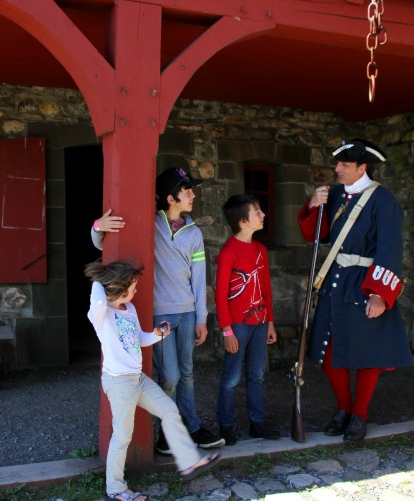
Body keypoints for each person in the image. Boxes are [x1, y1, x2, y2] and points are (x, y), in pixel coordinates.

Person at [91, 167, 224, 453]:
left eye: (192, 190)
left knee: (187, 373)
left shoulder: (194, 233)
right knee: (171, 376)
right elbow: (105, 242)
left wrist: (201, 317)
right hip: (161, 314)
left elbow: (200, 279)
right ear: (169, 198)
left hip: (188, 313)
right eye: (186, 191)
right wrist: (97, 227)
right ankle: (168, 433)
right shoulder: (149, 224)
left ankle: (192, 427)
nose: (193, 195)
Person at [296, 138, 413, 442]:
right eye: (338, 163)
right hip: (335, 280)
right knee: (328, 353)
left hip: (364, 284)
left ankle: (359, 414)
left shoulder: (384, 201)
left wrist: (378, 293)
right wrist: (314, 205)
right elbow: (316, 235)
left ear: (362, 167)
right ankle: (344, 408)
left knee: (367, 355)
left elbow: (390, 249)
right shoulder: (334, 195)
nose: (337, 169)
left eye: (344, 165)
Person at [84, 259, 221, 501]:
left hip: (138, 379)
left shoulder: (131, 309)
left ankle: (189, 462)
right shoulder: (102, 315)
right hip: (118, 383)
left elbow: (140, 340)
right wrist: (100, 278)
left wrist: (157, 335)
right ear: (119, 287)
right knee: (122, 435)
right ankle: (115, 489)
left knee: (169, 410)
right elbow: (96, 299)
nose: (136, 291)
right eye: (133, 286)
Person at [214, 194, 280, 445]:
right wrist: (227, 331)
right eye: (257, 212)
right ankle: (226, 426)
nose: (263, 215)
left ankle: (258, 424)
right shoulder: (229, 252)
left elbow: (265, 289)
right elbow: (221, 296)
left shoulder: (260, 250)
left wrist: (270, 322)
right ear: (242, 221)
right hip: (238, 326)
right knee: (231, 378)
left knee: (257, 375)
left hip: (260, 323)